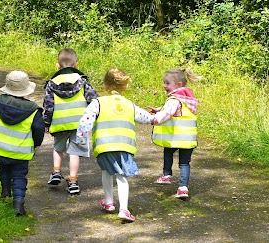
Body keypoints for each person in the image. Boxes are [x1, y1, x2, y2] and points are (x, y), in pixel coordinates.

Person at [77, 67, 153, 222]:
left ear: (104, 85)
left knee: (106, 171)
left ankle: (109, 202)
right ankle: (124, 209)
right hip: (124, 146)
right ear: (125, 86)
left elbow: (85, 123)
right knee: (122, 176)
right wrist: (158, 117)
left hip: (104, 146)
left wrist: (81, 139)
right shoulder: (129, 104)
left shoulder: (97, 103)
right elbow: (146, 118)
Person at [0, 70, 45, 216]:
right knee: (19, 175)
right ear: (26, 89)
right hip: (20, 152)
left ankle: (5, 190)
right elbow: (38, 130)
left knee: (4, 166)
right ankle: (18, 204)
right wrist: (36, 144)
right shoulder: (33, 111)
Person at [43, 48, 98, 194]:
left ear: (58, 66)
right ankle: (73, 180)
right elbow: (93, 100)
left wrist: (46, 123)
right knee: (75, 151)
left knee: (58, 147)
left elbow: (48, 105)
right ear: (76, 64)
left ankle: (56, 171)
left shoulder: (51, 83)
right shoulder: (83, 81)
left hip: (59, 122)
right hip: (79, 124)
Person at [150, 68, 201, 199]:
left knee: (168, 152)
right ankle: (183, 188)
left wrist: (155, 119)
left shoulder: (174, 100)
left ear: (178, 85)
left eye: (167, 83)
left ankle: (167, 175)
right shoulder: (187, 99)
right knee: (184, 163)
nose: (164, 86)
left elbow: (168, 113)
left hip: (176, 138)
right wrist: (158, 109)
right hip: (188, 139)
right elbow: (176, 110)